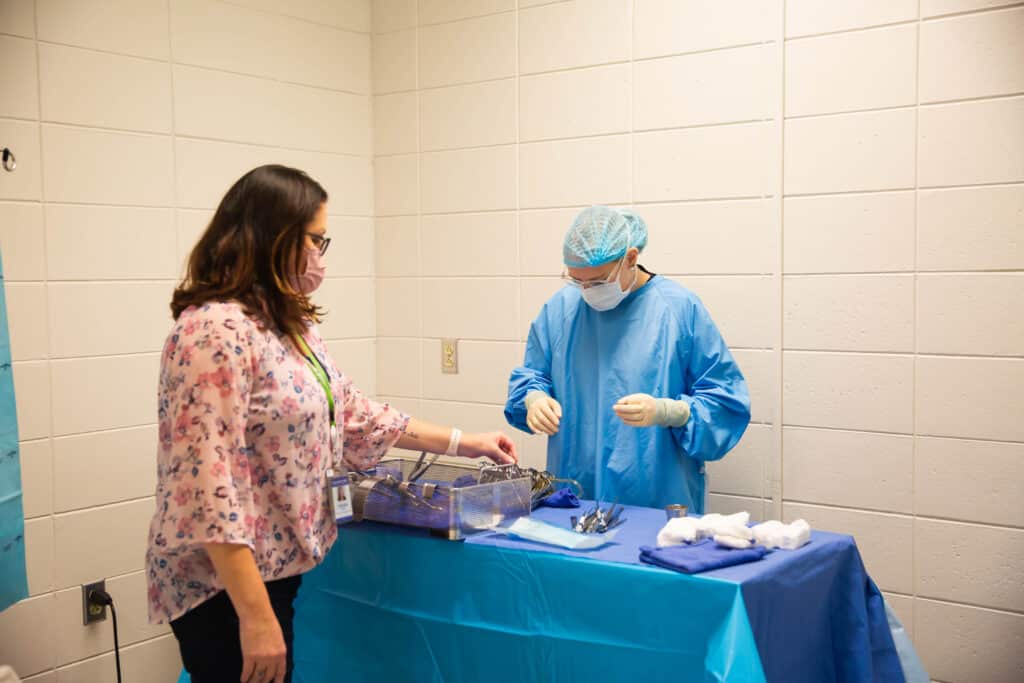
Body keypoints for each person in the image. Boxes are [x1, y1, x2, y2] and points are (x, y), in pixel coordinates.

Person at [146, 165, 517, 683]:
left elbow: (353, 412)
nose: (322, 255)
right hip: (224, 589)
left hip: (274, 575)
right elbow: (206, 486)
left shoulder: (287, 326)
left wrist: (464, 442)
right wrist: (255, 617)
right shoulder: (213, 330)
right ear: (274, 237)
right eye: (316, 239)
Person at [505, 205, 749, 513]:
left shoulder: (678, 309)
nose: (586, 290)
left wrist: (670, 411)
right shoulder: (561, 309)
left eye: (596, 281)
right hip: (574, 497)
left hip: (656, 501)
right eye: (577, 280)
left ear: (631, 259)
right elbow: (532, 375)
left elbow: (726, 402)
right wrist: (534, 398)